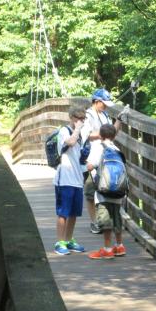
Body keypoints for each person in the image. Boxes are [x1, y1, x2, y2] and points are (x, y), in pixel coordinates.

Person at [81, 88, 123, 234]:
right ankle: (95, 222)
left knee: (106, 188)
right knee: (90, 192)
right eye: (103, 103)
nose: (105, 106)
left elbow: (111, 135)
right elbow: (86, 135)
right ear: (96, 101)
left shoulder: (104, 114)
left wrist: (119, 121)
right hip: (92, 158)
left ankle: (105, 220)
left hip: (106, 158)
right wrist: (103, 133)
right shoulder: (88, 115)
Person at [86, 124, 126, 259]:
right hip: (118, 192)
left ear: (100, 136)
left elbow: (90, 166)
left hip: (104, 192)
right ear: (114, 136)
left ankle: (107, 249)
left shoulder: (99, 147)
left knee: (105, 219)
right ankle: (119, 246)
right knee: (117, 217)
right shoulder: (117, 149)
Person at [53, 105, 87, 255]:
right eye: (78, 118)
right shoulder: (64, 131)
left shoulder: (81, 133)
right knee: (63, 212)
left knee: (74, 213)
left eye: (83, 118)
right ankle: (60, 242)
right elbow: (71, 142)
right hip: (65, 178)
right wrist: (78, 129)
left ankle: (68, 240)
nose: (80, 121)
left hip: (77, 178)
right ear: (71, 118)